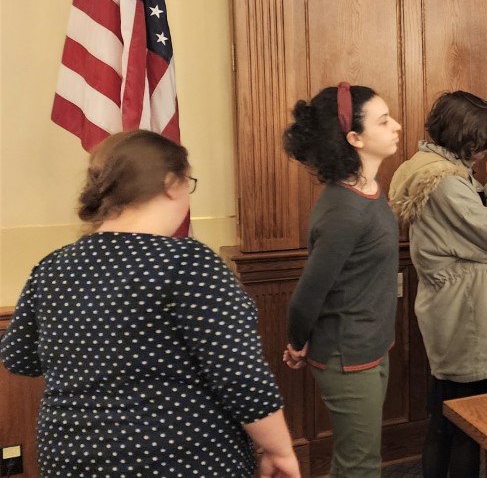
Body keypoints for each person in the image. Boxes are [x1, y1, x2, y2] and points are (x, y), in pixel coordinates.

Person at [0, 130, 299, 478]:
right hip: (178, 459)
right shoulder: (188, 262)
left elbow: (19, 359)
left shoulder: (53, 266)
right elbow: (241, 375)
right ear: (172, 182)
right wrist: (279, 449)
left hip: (68, 458)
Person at [389, 91, 487, 478]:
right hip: (466, 312)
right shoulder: (446, 183)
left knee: (446, 415)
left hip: (452, 304)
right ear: (471, 141)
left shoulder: (429, 167)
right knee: (469, 422)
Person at [282, 83, 402, 478]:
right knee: (360, 468)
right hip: (347, 357)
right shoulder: (344, 211)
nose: (396, 126)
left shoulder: (368, 190)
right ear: (355, 138)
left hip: (371, 346)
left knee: (357, 463)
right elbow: (307, 296)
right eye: (384, 122)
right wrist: (297, 342)